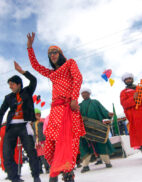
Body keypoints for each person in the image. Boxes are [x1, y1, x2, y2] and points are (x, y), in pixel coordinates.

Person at [27, 32, 85, 182]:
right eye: (49, 54)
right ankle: (56, 173)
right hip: (55, 111)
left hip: (68, 108)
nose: (52, 55)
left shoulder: (69, 63)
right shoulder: (52, 74)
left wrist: (74, 98)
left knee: (67, 142)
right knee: (52, 143)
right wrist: (29, 48)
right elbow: (35, 66)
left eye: (55, 52)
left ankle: (68, 175)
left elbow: (78, 78)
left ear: (60, 53)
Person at [0, 61, 41, 182]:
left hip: (25, 125)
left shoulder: (27, 91)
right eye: (9, 85)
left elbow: (34, 80)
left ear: (19, 84)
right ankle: (14, 178)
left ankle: (36, 176)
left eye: (12, 84)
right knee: (6, 154)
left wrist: (22, 71)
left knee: (31, 152)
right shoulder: (8, 97)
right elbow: (1, 112)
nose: (10, 87)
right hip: (11, 127)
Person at [79, 88, 114, 173]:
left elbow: (103, 110)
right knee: (84, 146)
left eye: (85, 93)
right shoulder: (79, 105)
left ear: (89, 94)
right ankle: (85, 166)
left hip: (97, 128)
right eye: (82, 94)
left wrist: (108, 114)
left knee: (101, 143)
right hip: (85, 129)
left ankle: (107, 162)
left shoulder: (95, 102)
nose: (83, 95)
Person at [32, 108, 50, 174]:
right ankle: (40, 169)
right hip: (37, 142)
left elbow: (46, 122)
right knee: (39, 156)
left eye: (38, 114)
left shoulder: (42, 120)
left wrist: (39, 119)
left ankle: (47, 168)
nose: (36, 116)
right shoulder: (33, 123)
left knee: (44, 155)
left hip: (43, 141)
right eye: (35, 115)